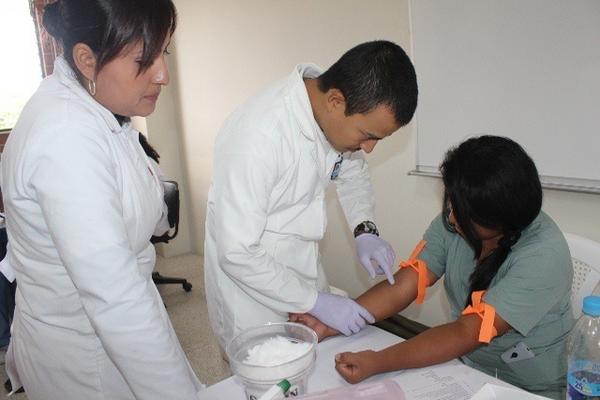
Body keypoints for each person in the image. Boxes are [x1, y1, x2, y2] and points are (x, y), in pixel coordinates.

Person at [0, 0, 204, 398]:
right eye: (143, 59)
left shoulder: (102, 108)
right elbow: (115, 297)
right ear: (86, 59)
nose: (162, 74)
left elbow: (138, 185)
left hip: (116, 328)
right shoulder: (65, 138)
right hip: (86, 354)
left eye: (164, 51)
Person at [292, 136, 574, 399]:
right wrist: (333, 322)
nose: (450, 216)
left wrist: (378, 361)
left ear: (497, 221)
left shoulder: (543, 256)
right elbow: (406, 283)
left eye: (460, 212)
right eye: (450, 203)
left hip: (529, 387)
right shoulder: (457, 219)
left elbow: (466, 332)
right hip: (467, 367)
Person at [204, 40, 418, 350]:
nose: (369, 148)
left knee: (317, 366)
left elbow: (352, 172)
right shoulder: (257, 136)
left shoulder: (332, 120)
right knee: (268, 377)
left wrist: (364, 229)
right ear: (335, 101)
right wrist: (314, 301)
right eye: (368, 136)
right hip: (250, 286)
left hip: (303, 267)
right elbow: (236, 252)